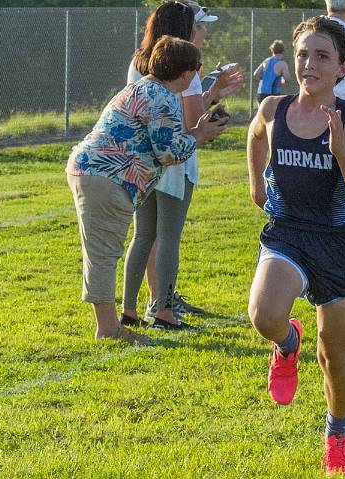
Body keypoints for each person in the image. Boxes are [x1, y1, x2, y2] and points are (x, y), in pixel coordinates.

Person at [246, 15, 345, 477]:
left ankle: (337, 431)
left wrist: (341, 151)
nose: (309, 63)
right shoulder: (273, 107)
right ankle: (286, 343)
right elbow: (255, 134)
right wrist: (256, 184)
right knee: (264, 314)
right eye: (303, 54)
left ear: (342, 68)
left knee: (334, 353)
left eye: (322, 56)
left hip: (338, 243)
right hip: (288, 231)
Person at [66, 36, 226, 344]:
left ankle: (111, 324)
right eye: (195, 68)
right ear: (185, 73)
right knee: (104, 253)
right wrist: (201, 135)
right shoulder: (162, 96)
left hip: (93, 171)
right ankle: (109, 329)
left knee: (101, 251)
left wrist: (195, 130)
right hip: (105, 177)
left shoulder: (143, 88)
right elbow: (168, 151)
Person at [121, 1, 243, 330]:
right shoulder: (186, 64)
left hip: (143, 158)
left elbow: (166, 106)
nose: (201, 32)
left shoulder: (139, 60)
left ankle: (129, 310)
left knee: (143, 235)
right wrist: (213, 123)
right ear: (183, 29)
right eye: (197, 26)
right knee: (168, 237)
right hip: (174, 159)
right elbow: (191, 122)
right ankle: (163, 312)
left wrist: (212, 92)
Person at [254, 40, 291, 105]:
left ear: (272, 50)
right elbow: (287, 79)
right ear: (283, 51)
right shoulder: (282, 63)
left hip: (261, 92)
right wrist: (281, 80)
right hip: (273, 94)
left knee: (261, 114)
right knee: (273, 114)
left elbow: (256, 74)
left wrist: (265, 80)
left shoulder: (266, 60)